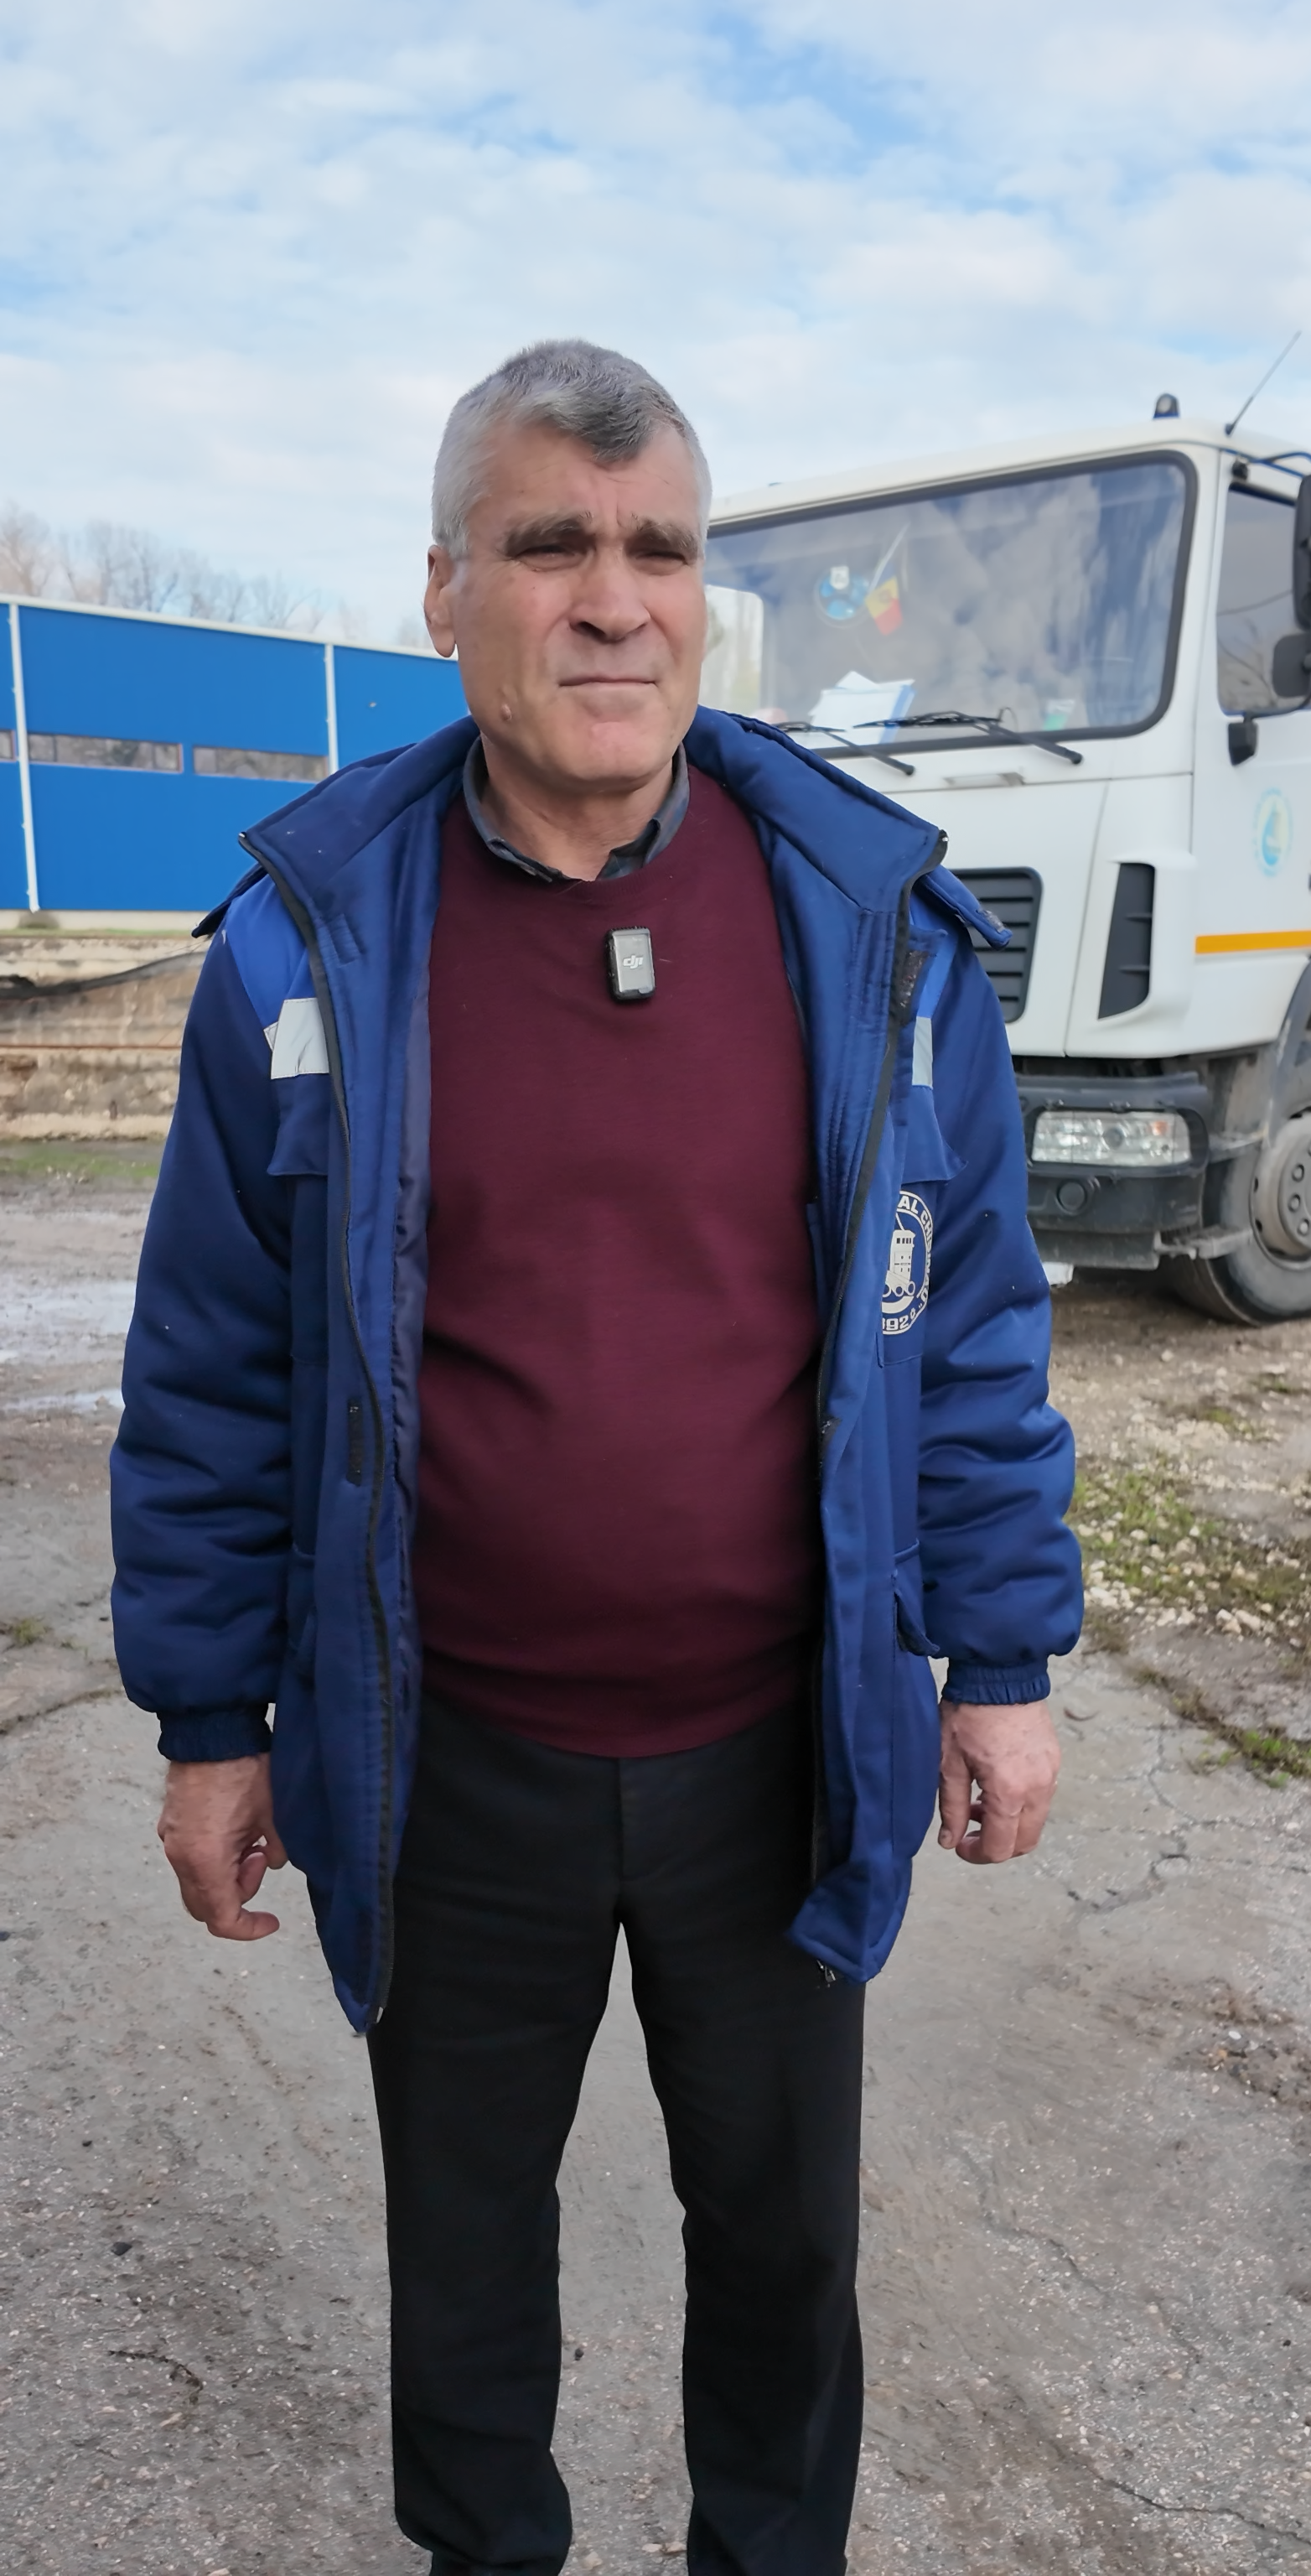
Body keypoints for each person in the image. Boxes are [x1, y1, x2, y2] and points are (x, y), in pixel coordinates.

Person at [111, 339, 1081, 2576]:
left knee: (785, 2249)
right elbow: (212, 1367)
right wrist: (208, 1719)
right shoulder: (310, 946)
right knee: (464, 2266)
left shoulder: (866, 925)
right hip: (450, 1757)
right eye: (553, 545)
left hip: (780, 1746)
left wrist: (1005, 1662)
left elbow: (971, 1325)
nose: (616, 599)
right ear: (445, 588)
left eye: (661, 548)